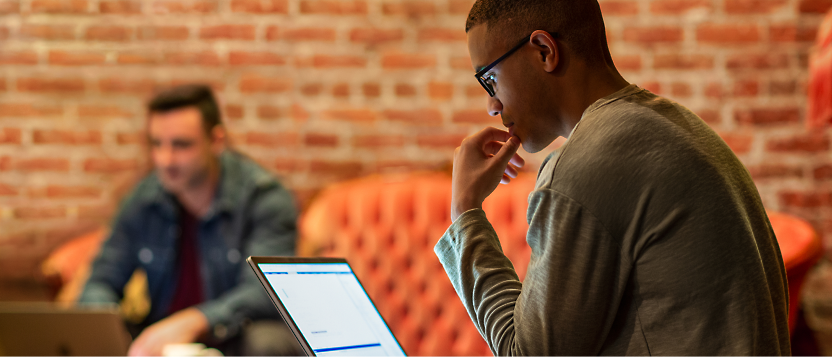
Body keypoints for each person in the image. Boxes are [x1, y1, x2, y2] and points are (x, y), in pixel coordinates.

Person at [436, 0, 790, 356]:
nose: (491, 106)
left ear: (544, 51)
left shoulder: (585, 165)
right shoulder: (683, 127)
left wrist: (464, 212)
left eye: (490, 79)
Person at [79, 84, 302, 357]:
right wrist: (106, 327)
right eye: (157, 144)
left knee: (268, 343)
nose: (165, 160)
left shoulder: (263, 198)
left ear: (216, 140)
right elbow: (102, 280)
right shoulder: (143, 199)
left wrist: (197, 321)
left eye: (181, 145)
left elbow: (265, 293)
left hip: (230, 335)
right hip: (164, 338)